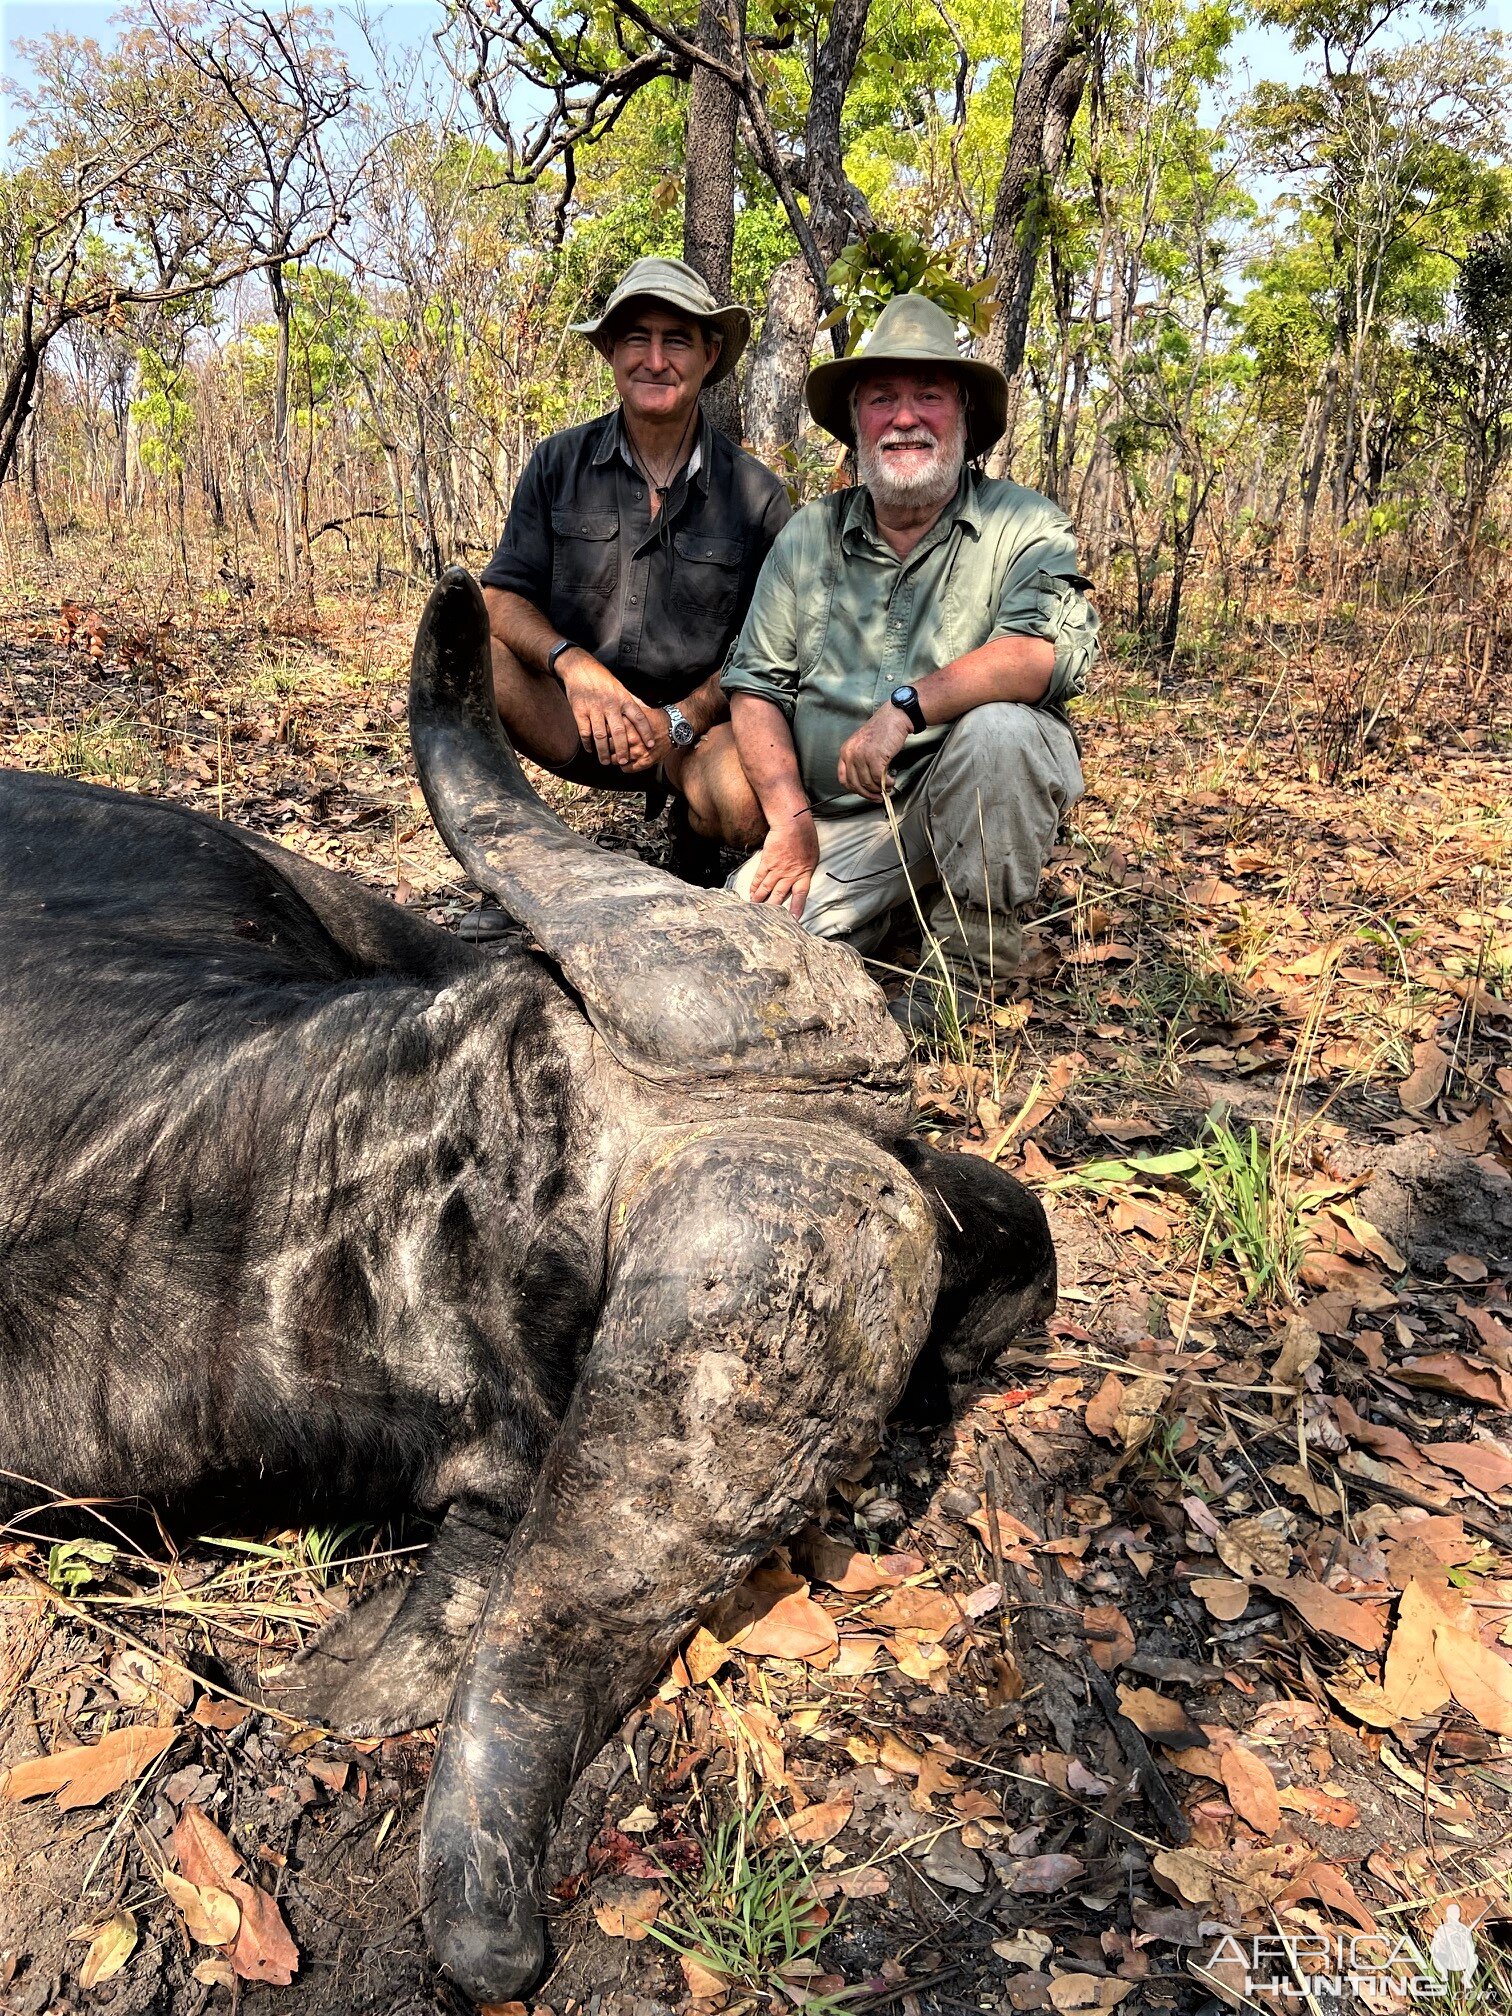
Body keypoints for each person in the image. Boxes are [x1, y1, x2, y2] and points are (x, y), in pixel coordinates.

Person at [721, 291, 1098, 1030]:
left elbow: (1039, 655)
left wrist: (904, 708)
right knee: (735, 965)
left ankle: (971, 962)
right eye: (882, 398)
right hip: (840, 823)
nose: (904, 418)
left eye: (928, 396)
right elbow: (754, 685)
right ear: (856, 420)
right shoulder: (810, 534)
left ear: (961, 415)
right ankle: (886, 919)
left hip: (957, 799)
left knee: (1003, 732)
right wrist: (790, 822)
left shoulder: (1023, 521)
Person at [472, 257, 790, 934]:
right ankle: (509, 866)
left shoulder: (758, 496)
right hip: (575, 715)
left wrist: (679, 718)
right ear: (609, 352)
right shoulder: (557, 464)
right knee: (466, 656)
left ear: (709, 354)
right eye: (635, 338)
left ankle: (697, 846)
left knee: (744, 800)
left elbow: (770, 650)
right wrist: (575, 666)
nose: (654, 359)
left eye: (676, 339)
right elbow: (501, 596)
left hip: (692, 733)